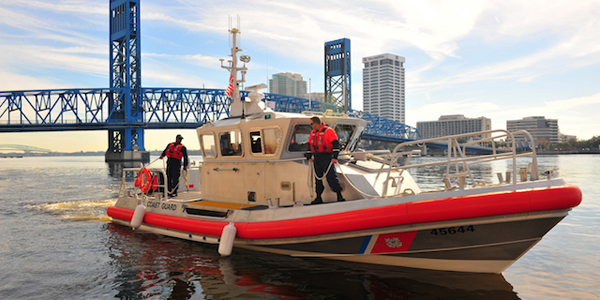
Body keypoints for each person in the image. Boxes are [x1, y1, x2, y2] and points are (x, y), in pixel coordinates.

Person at [305, 116, 345, 204]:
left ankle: (339, 196)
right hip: (317, 158)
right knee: (317, 179)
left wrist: (335, 157)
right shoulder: (313, 133)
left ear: (316, 123)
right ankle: (318, 198)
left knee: (331, 177)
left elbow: (335, 144)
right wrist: (309, 157)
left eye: (311, 124)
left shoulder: (328, 131)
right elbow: (310, 145)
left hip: (327, 158)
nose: (311, 125)